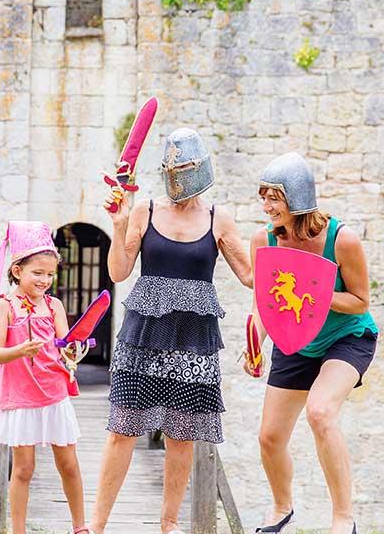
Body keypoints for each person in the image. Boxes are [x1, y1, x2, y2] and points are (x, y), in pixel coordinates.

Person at [89, 128, 252, 534]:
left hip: (193, 337)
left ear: (200, 169)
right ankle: (96, 525)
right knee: (122, 428)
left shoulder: (219, 218)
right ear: (165, 170)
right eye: (174, 167)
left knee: (182, 434)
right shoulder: (143, 210)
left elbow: (250, 275)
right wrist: (120, 223)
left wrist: (284, 243)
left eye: (186, 167)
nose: (180, 175)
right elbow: (118, 271)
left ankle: (168, 525)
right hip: (144, 331)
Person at [245, 152, 378, 534]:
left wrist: (315, 293)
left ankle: (343, 518)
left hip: (346, 337)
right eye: (264, 197)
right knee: (269, 437)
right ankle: (282, 506)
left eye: (275, 198)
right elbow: (265, 303)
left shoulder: (342, 239)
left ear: (298, 198)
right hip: (294, 338)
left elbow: (360, 302)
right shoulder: (264, 240)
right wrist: (254, 344)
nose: (267, 206)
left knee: (320, 412)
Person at [0, 221, 89, 534]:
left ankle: (80, 527)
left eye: (50, 274)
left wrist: (74, 350)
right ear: (18, 271)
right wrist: (20, 350)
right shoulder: (4, 307)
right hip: (20, 395)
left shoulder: (54, 305)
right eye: (38, 273)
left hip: (53, 390)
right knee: (24, 468)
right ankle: (18, 530)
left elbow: (64, 345)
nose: (45, 280)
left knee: (69, 463)